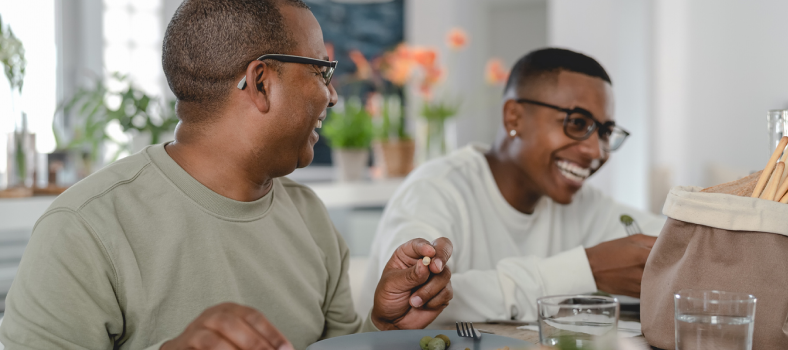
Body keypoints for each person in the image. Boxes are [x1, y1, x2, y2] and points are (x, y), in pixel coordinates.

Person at [0, 0, 453, 348]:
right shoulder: (83, 229)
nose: (332, 96)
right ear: (260, 82)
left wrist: (382, 329)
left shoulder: (309, 217)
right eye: (320, 71)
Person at [358, 48, 665, 325]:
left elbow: (673, 239)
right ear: (513, 117)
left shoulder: (585, 204)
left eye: (605, 132)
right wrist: (588, 269)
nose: (596, 151)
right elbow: (412, 299)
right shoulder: (435, 190)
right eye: (577, 123)